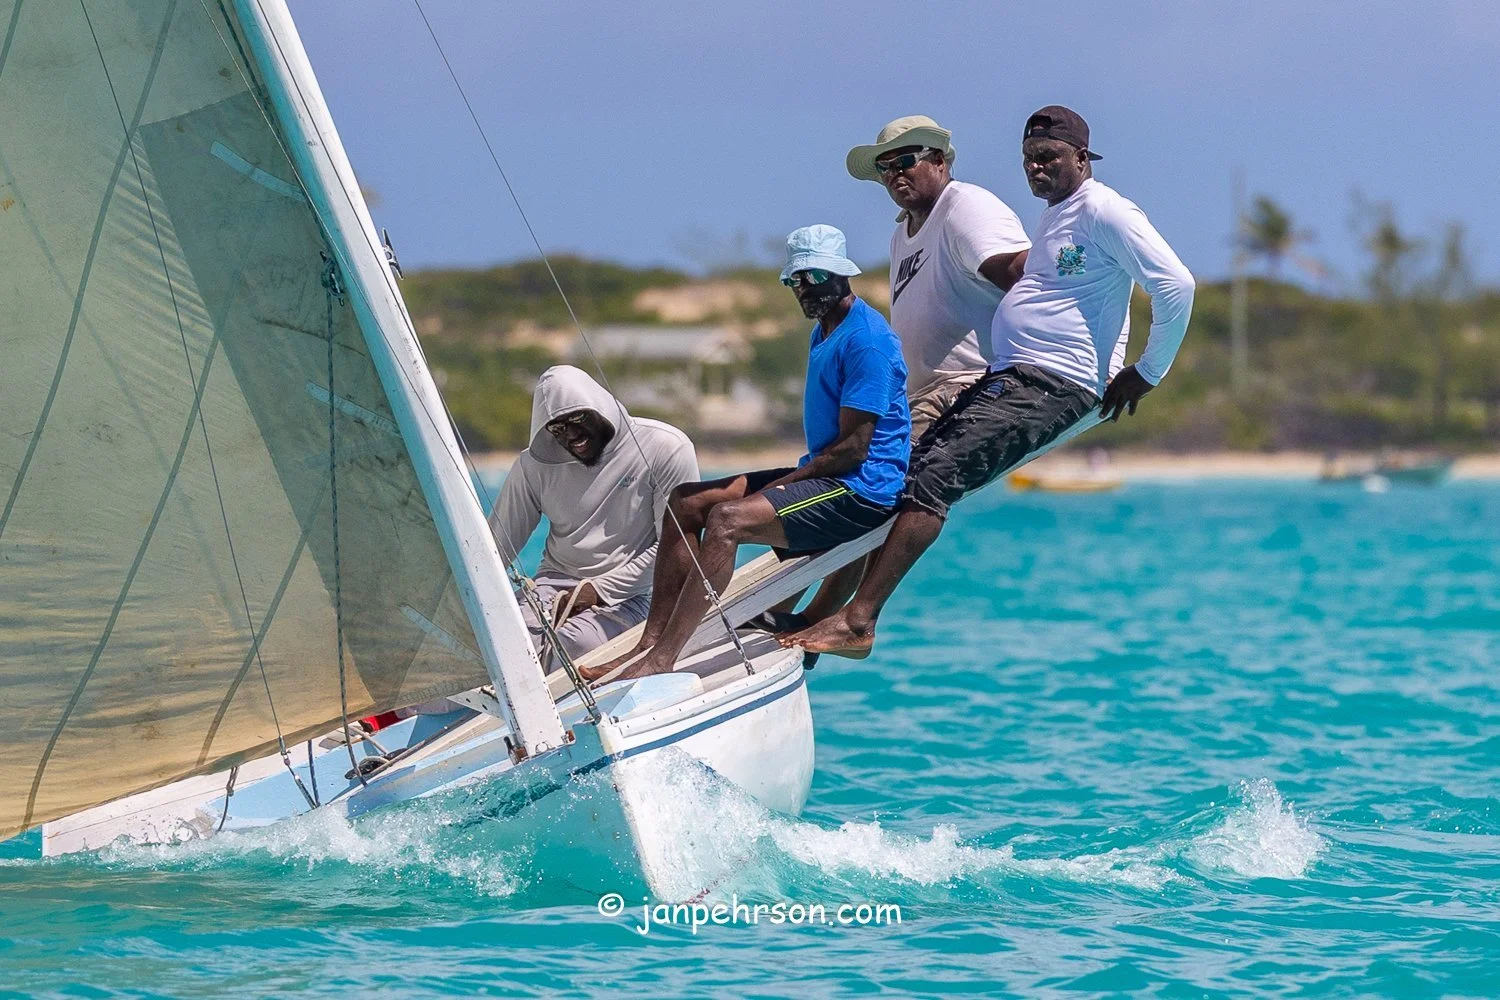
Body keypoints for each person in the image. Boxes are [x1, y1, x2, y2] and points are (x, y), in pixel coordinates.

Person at [784, 106, 1195, 658]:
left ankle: (858, 622)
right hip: (1017, 375)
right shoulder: (1058, 215)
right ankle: (829, 613)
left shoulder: (1103, 209)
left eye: (1049, 156)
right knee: (904, 478)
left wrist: (1146, 371)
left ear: (1082, 156)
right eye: (1029, 159)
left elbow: (1175, 284)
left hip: (1055, 379)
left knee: (930, 481)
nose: (1036, 168)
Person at [581, 225, 911, 683]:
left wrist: (786, 485)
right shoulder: (826, 329)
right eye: (794, 281)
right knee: (685, 503)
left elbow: (855, 450)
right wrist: (791, 482)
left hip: (860, 490)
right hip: (830, 476)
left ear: (841, 276)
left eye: (812, 278)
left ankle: (662, 661)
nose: (802, 289)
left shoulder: (866, 341)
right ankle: (648, 643)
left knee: (727, 521)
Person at [490, 365, 699, 665]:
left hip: (640, 595)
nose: (571, 435)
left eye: (577, 419)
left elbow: (677, 549)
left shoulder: (665, 448)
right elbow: (493, 549)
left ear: (599, 407)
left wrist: (597, 590)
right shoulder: (534, 466)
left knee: (576, 644)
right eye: (558, 428)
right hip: (554, 586)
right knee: (501, 640)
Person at [846, 114, 1031, 438]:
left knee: (884, 483)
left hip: (963, 388)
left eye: (904, 160)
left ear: (938, 161)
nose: (894, 173)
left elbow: (1024, 276)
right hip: (919, 397)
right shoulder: (902, 233)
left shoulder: (964, 208)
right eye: (884, 167)